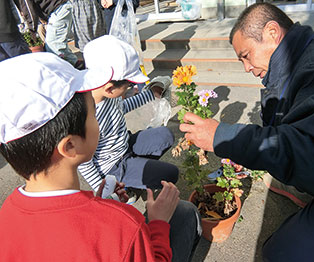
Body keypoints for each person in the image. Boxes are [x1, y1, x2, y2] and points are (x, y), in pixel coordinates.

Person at [179, 3, 314, 261]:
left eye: (246, 55)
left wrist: (223, 137)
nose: (246, 68)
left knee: (277, 253)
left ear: (272, 32)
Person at [0, 52, 201, 261]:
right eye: (92, 114)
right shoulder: (122, 225)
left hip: (118, 161)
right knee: (185, 213)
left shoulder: (6, 215)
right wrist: (159, 223)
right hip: (117, 172)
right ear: (70, 146)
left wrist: (98, 201)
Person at [79, 35, 178, 196]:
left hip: (125, 143)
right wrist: (104, 191)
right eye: (128, 87)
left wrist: (152, 94)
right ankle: (125, 183)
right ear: (110, 88)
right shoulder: (87, 117)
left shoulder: (104, 92)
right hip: (112, 166)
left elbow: (121, 108)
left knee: (165, 135)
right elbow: (84, 162)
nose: (132, 89)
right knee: (170, 174)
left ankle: (137, 170)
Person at [17, 0, 83, 69]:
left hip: (59, 9)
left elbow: (29, 12)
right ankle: (75, 65)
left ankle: (76, 67)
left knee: (53, 45)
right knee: (54, 45)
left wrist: (32, 31)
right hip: (59, 8)